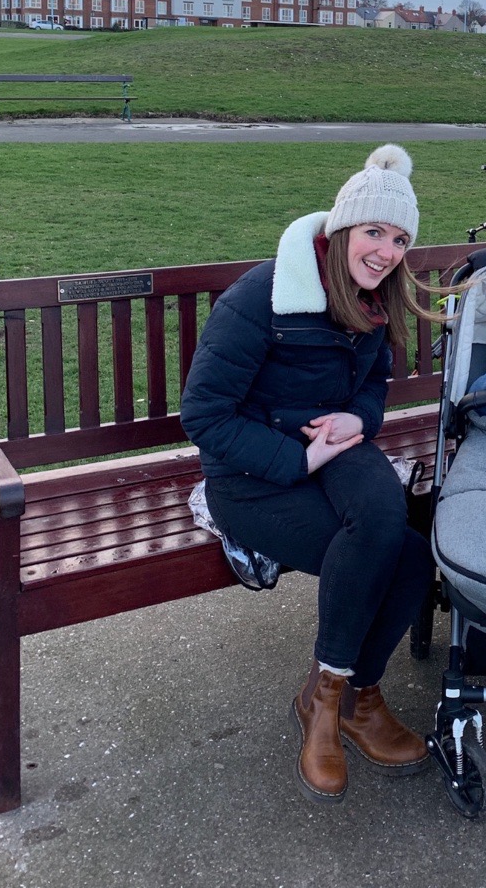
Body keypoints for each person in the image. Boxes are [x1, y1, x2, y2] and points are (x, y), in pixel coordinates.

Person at [180, 145, 437, 806]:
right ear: (343, 228)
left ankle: (346, 695)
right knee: (397, 555)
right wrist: (296, 460)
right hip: (250, 474)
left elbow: (373, 386)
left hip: (333, 450)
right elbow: (205, 416)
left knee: (397, 534)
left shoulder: (372, 300)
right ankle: (331, 703)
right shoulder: (263, 296)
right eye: (374, 232)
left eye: (400, 238)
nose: (385, 251)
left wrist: (356, 420)